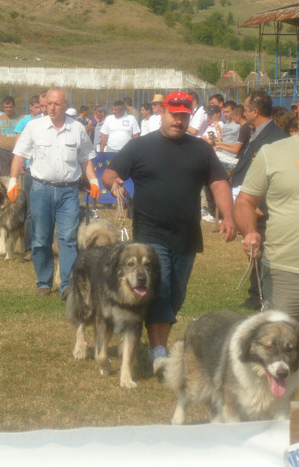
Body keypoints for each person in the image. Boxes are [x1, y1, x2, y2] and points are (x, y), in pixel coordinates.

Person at [102, 91, 236, 361]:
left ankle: (143, 326)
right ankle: (158, 350)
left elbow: (219, 182)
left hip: (186, 235)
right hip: (150, 234)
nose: (179, 121)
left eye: (184, 116)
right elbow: (110, 172)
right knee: (160, 289)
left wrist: (229, 216)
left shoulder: (201, 149)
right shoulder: (141, 146)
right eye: (174, 115)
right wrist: (113, 184)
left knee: (176, 293)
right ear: (162, 113)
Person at [8, 87, 99, 299]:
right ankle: (44, 282)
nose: (52, 107)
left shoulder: (77, 129)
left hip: (68, 192)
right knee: (41, 238)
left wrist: (93, 181)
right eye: (49, 103)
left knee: (68, 238)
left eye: (57, 104)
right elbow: (19, 155)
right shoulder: (34, 127)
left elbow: (86, 158)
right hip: (40, 190)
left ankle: (66, 285)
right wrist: (12, 181)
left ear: (66, 106)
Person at [231, 91, 286, 310]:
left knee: (262, 250)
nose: (243, 113)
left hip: (263, 208)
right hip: (248, 204)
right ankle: (256, 294)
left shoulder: (274, 138)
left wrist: (259, 205)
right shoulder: (255, 133)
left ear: (255, 111)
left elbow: (276, 177)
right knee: (253, 248)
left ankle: (262, 296)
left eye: (245, 109)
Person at [234, 133, 299, 320]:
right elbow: (245, 201)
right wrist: (250, 232)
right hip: (285, 272)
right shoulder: (272, 153)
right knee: (280, 344)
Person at [14, 94, 44, 263]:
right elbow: (19, 146)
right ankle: (28, 249)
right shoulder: (29, 123)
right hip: (30, 171)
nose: (42, 109)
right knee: (31, 212)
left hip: (50, 175)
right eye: (40, 106)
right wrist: (22, 165)